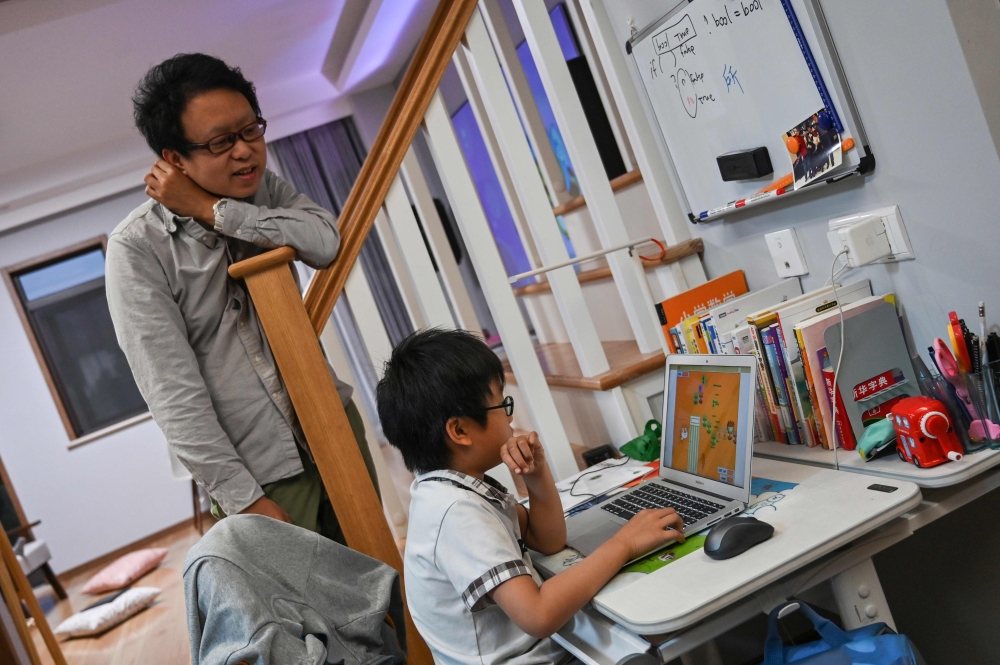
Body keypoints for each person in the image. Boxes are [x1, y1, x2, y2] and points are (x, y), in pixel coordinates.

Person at [106, 53, 378, 544]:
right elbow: (172, 392)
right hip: (259, 470)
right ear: (173, 158)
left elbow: (325, 242)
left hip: (333, 426)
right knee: (306, 618)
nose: (245, 151)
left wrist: (212, 210)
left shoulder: (263, 191)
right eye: (220, 142)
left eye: (251, 130)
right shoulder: (137, 248)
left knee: (384, 581)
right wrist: (243, 496)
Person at [375, 329, 685, 665]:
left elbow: (546, 539)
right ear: (460, 430)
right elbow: (538, 614)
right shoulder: (456, 514)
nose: (510, 417)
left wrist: (537, 477)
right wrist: (624, 544)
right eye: (502, 404)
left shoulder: (451, 490)